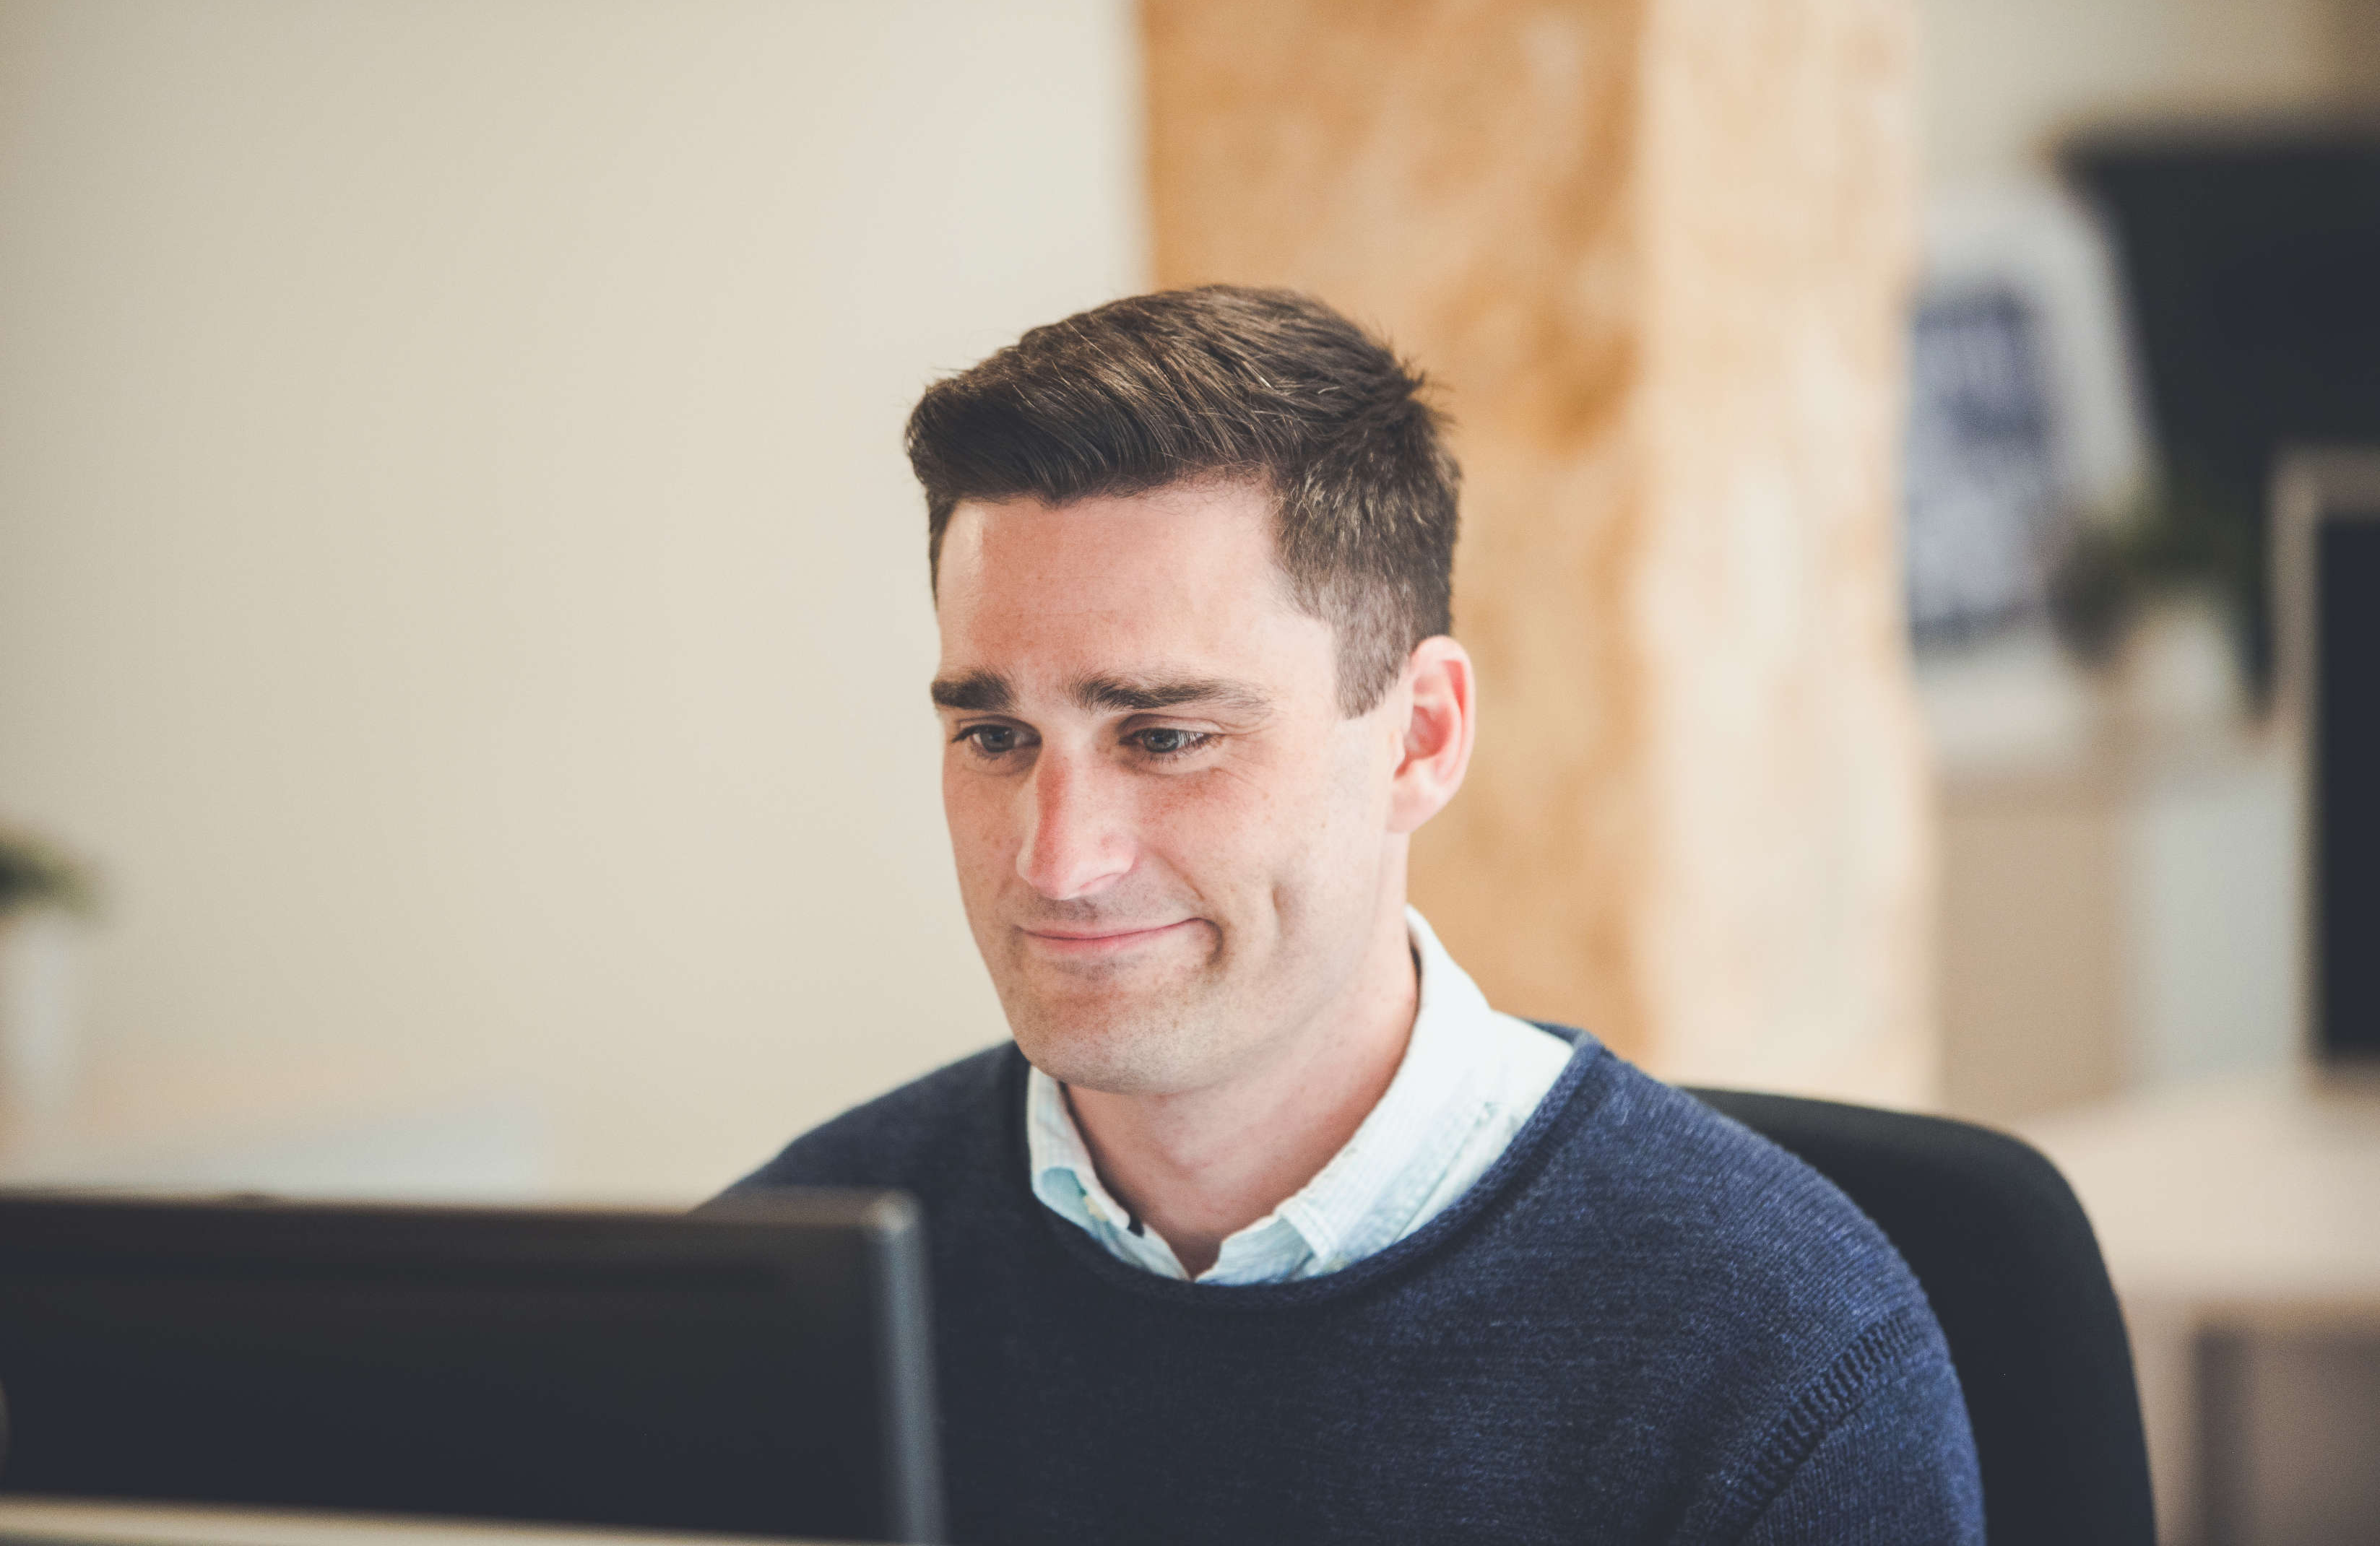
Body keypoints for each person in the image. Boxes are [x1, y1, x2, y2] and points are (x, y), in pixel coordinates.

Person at [718, 286, 1985, 1545]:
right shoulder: (777, 1290)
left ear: (1419, 738)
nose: (1059, 859)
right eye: (995, 736)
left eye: (1167, 737)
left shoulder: (1781, 1357)